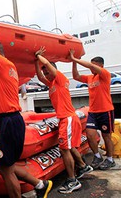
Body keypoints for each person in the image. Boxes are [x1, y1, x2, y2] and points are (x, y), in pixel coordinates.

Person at [0, 27, 52, 198]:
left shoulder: (3, 63)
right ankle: (40, 185)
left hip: (8, 121)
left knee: (5, 170)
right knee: (8, 165)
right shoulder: (2, 69)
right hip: (10, 120)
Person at [35, 46, 93, 194]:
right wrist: (36, 62)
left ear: (54, 70)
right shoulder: (52, 83)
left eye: (47, 71)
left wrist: (40, 56)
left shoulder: (60, 78)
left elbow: (48, 66)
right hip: (67, 118)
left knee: (64, 149)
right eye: (45, 72)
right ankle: (83, 166)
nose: (46, 74)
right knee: (70, 146)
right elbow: (41, 77)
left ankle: (72, 180)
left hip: (67, 119)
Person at [69, 50, 115, 170]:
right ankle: (97, 156)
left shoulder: (105, 74)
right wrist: (73, 63)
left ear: (100, 66)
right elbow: (76, 76)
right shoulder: (90, 78)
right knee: (90, 134)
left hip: (106, 111)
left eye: (94, 65)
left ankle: (110, 159)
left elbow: (89, 65)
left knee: (106, 136)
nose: (91, 68)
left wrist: (75, 59)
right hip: (93, 112)